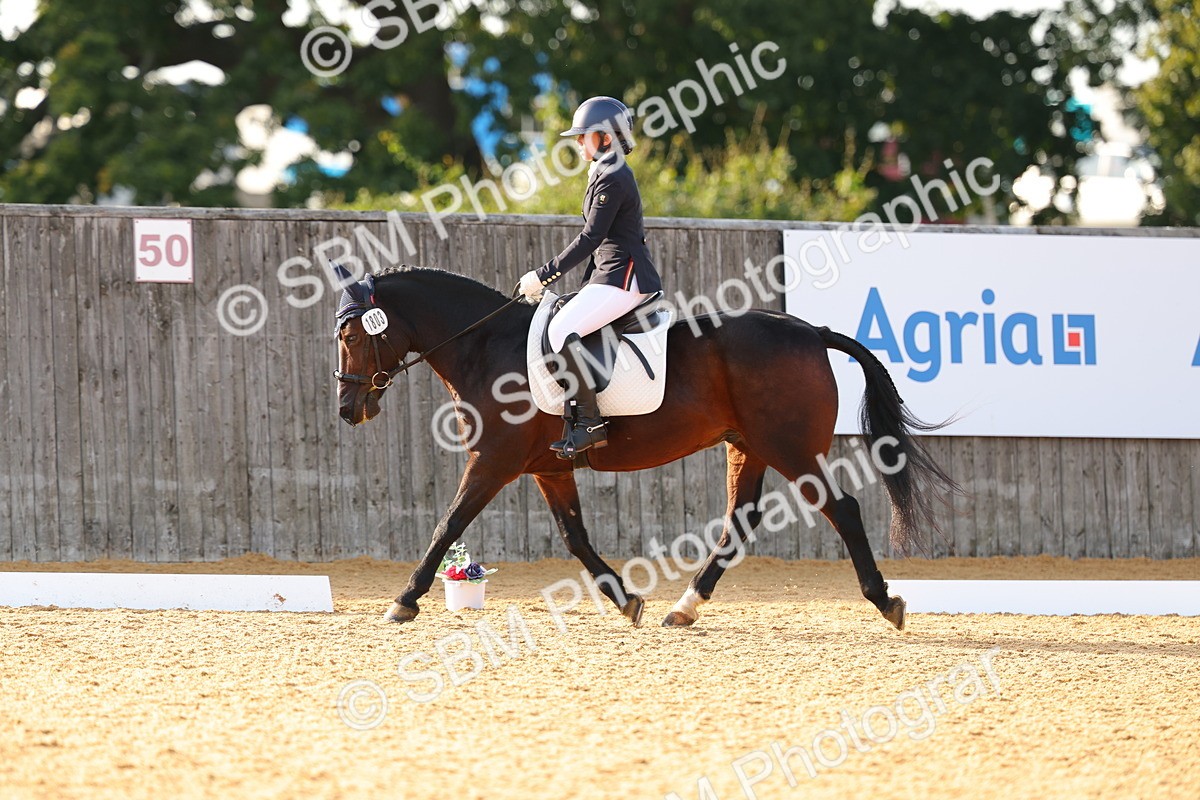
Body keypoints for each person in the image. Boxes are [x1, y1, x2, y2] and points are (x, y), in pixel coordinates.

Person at [518, 96, 663, 458]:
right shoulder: (603, 169)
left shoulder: (613, 176)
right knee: (561, 321)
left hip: (625, 277)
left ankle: (590, 423)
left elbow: (591, 238)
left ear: (606, 137)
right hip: (608, 274)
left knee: (561, 331)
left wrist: (544, 275)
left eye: (584, 136)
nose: (578, 142)